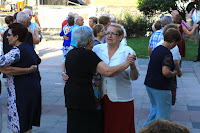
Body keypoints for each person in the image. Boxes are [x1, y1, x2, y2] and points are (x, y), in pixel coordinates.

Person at [64, 25, 136, 133]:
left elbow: (70, 72)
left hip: (71, 96)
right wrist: (127, 63)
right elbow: (108, 71)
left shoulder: (70, 54)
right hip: (85, 99)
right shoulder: (88, 55)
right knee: (88, 127)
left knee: (75, 125)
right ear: (90, 41)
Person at [93, 23, 140, 133]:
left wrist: (132, 66)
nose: (109, 36)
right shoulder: (97, 49)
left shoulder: (128, 51)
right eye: (108, 33)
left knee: (119, 128)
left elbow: (134, 77)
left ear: (120, 37)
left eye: (113, 34)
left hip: (121, 99)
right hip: (102, 98)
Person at [0, 23, 41, 133]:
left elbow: (7, 68)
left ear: (16, 36)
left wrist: (25, 70)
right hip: (30, 88)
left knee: (20, 124)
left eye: (9, 35)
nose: (7, 37)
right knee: (25, 124)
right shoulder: (28, 47)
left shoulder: (16, 51)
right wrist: (27, 70)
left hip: (21, 91)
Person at [144, 28, 182, 126]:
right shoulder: (167, 53)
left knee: (154, 112)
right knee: (163, 117)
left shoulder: (157, 48)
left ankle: (145, 130)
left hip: (150, 84)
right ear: (173, 41)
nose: (175, 45)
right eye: (176, 43)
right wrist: (174, 73)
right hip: (160, 87)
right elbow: (165, 72)